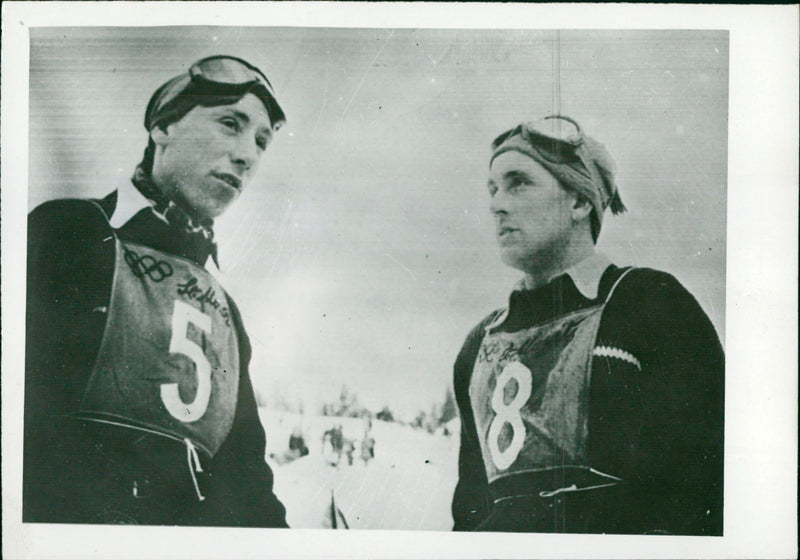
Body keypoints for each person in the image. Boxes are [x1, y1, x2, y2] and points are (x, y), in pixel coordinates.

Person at [24, 55, 289, 527]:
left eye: (262, 142)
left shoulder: (224, 310)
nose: (248, 154)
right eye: (231, 123)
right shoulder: (68, 233)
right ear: (163, 127)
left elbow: (247, 484)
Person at [450, 116, 724, 535]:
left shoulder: (648, 302)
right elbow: (469, 513)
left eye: (518, 182)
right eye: (493, 189)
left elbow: (708, 489)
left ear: (579, 202)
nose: (496, 204)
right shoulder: (480, 344)